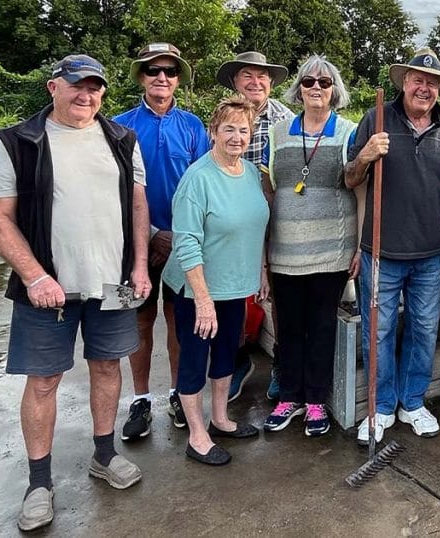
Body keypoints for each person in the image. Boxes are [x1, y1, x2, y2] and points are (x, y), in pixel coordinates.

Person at [0, 54, 151, 531]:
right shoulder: (18, 143)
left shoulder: (121, 139)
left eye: (95, 87)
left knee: (106, 367)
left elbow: (138, 204)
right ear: (53, 87)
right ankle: (39, 483)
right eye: (77, 85)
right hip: (45, 291)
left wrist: (139, 263)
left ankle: (103, 454)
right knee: (44, 381)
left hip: (110, 284)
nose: (86, 95)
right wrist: (35, 276)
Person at [345, 48, 440, 444]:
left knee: (422, 329)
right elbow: (350, 177)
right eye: (417, 80)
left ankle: (413, 402)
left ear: (439, 89)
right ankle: (381, 407)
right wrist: (367, 155)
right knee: (379, 330)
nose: (424, 87)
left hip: (429, 254)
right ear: (404, 82)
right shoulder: (377, 118)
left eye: (432, 82)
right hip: (381, 252)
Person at [162, 96, 269, 465]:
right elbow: (186, 242)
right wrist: (203, 300)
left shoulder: (252, 173)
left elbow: (254, 228)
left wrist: (262, 272)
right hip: (197, 289)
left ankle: (221, 418)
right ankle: (197, 435)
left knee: (227, 354)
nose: (236, 137)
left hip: (235, 286)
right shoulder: (198, 178)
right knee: (194, 359)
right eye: (229, 129)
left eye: (243, 129)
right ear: (213, 132)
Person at [260, 55, 362, 437]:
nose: (316, 88)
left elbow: (361, 189)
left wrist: (358, 246)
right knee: (288, 328)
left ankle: (317, 400)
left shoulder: (349, 131)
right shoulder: (278, 132)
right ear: (298, 89)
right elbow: (268, 193)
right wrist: (264, 255)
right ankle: (290, 396)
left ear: (334, 89)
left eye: (324, 82)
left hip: (331, 250)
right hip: (285, 252)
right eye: (308, 82)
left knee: (321, 328)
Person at [113, 43, 210, 439]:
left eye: (169, 71)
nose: (162, 78)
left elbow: (203, 183)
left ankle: (175, 393)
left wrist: (179, 235)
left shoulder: (193, 126)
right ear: (141, 76)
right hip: (133, 242)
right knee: (138, 318)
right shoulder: (119, 125)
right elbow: (114, 188)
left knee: (177, 319)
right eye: (154, 70)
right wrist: (150, 234)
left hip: (180, 241)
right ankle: (139, 400)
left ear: (177, 79)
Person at [216, 51, 294, 401]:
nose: (255, 82)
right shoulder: (224, 117)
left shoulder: (286, 120)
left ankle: (280, 366)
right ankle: (236, 361)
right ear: (236, 81)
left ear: (271, 82)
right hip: (232, 222)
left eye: (262, 76)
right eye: (247, 75)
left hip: (275, 221)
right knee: (229, 297)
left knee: (278, 299)